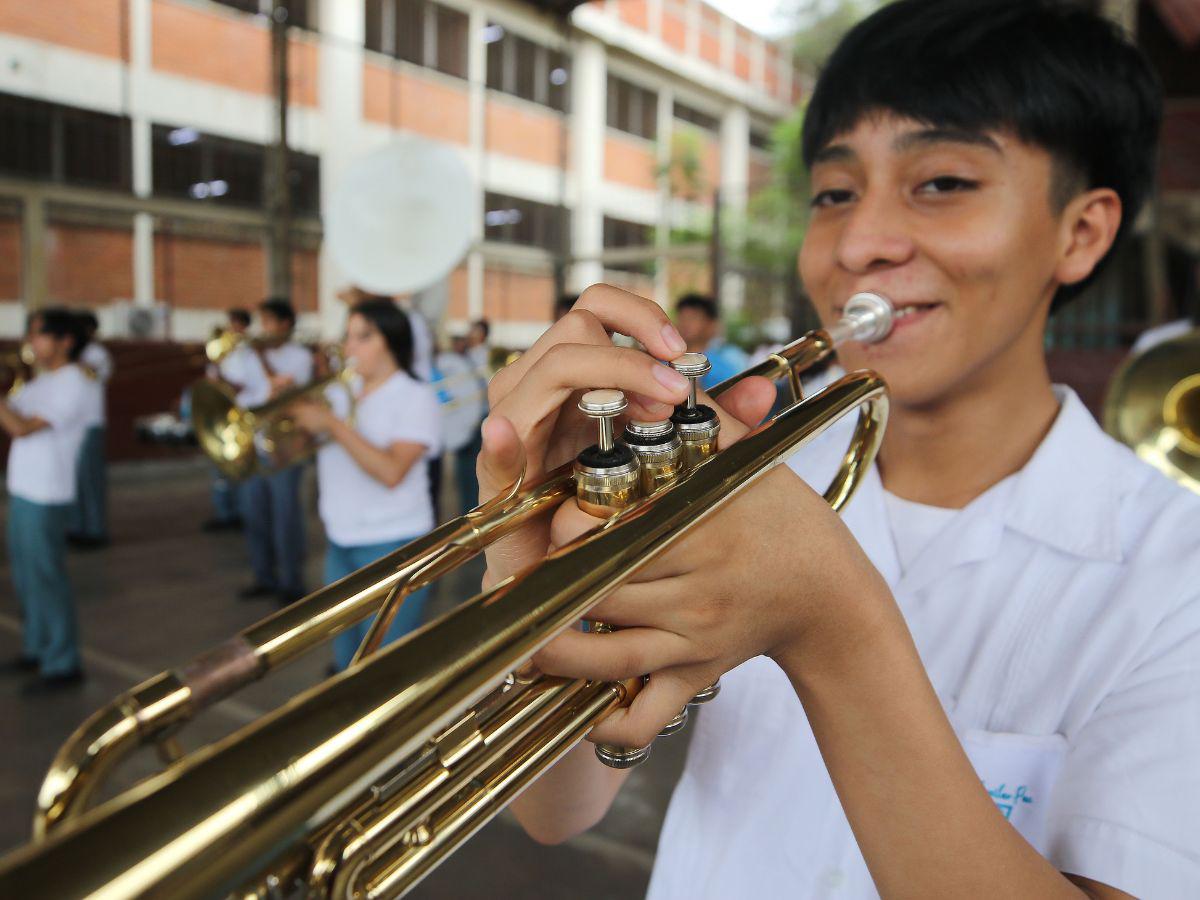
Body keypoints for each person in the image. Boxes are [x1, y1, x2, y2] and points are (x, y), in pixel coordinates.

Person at [477, 3, 1200, 897]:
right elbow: (555, 814)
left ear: (1080, 233)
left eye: (942, 183)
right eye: (834, 194)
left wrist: (834, 630)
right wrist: (545, 571)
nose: (858, 246)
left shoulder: (1180, 572)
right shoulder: (753, 475)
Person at [290, 298, 441, 671]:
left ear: (390, 341)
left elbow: (392, 472)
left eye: (363, 336)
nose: (349, 347)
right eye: (348, 335)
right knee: (345, 659)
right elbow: (295, 450)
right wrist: (293, 414)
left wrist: (332, 424)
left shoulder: (415, 396)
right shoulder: (339, 392)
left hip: (393, 544)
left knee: (381, 666)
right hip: (339, 541)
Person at [0, 307, 92, 692]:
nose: (30, 343)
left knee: (47, 578)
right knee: (25, 576)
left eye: (38, 335)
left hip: (47, 495)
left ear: (65, 341)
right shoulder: (40, 382)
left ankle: (63, 662)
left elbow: (20, 429)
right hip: (23, 491)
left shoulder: (74, 383)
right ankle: (37, 648)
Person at [225, 298, 314, 605]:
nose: (263, 329)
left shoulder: (299, 356)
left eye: (269, 322)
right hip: (253, 439)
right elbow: (230, 383)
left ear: (286, 324)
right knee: (254, 512)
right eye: (261, 322)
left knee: (285, 514)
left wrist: (262, 360)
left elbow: (283, 391)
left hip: (284, 443)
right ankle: (263, 576)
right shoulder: (246, 354)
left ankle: (291, 581)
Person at [202, 308, 253, 531]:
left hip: (240, 415)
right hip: (221, 416)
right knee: (219, 470)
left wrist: (223, 381)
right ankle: (224, 513)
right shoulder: (222, 352)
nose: (231, 328)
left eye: (236, 324)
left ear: (244, 326)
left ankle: (242, 513)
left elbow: (244, 385)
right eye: (230, 323)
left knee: (239, 468)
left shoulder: (247, 352)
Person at [68, 310, 110, 549]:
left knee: (91, 479)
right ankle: (77, 527)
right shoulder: (74, 353)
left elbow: (94, 374)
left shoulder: (98, 353)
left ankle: (96, 530)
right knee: (74, 479)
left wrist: (73, 358)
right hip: (72, 425)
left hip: (91, 423)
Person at [433, 337, 486, 515]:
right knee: (464, 478)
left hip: (476, 423)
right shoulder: (450, 363)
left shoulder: (466, 360)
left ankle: (471, 513)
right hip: (464, 427)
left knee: (471, 476)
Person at [673, 294, 748, 389]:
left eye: (692, 318)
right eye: (682, 318)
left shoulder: (726, 365)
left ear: (711, 325)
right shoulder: (663, 360)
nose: (685, 324)